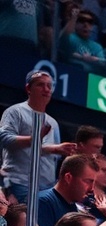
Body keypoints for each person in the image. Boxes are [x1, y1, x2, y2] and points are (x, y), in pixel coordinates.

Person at [0, 70, 77, 202]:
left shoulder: (53, 122)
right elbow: (4, 139)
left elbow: (48, 155)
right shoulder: (15, 112)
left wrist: (59, 150)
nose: (46, 89)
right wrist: (33, 139)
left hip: (47, 188)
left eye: (49, 86)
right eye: (40, 85)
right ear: (28, 89)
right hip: (20, 183)